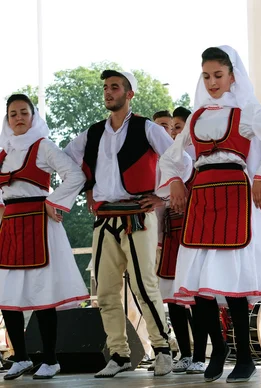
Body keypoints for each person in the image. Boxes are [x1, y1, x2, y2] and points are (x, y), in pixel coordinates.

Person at [158, 45, 261, 383]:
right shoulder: (197, 117)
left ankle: (245, 357)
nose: (212, 82)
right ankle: (218, 348)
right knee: (200, 281)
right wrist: (176, 181)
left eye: (218, 75)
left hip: (236, 193)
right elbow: (170, 157)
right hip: (203, 197)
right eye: (206, 76)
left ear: (232, 76)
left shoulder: (247, 111)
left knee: (233, 280)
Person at [64, 70, 183, 378]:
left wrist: (161, 197)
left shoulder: (146, 128)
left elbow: (179, 159)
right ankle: (118, 354)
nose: (108, 92)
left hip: (137, 216)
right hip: (104, 219)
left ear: (129, 94)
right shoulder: (92, 133)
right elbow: (65, 161)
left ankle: (162, 350)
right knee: (105, 291)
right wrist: (85, 187)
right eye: (106, 87)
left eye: (115, 87)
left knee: (145, 285)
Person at [0, 94, 89, 380]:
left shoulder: (44, 147)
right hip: (11, 225)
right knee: (7, 294)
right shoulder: (3, 152)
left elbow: (75, 175)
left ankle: (50, 360)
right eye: (13, 113)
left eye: (23, 112)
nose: (18, 118)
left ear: (33, 115)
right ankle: (21, 358)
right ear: (7, 118)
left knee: (43, 292)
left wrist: (55, 203)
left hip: (40, 223)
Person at [154, 106, 204, 374]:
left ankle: (199, 354)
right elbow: (160, 199)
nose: (173, 131)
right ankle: (184, 353)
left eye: (178, 127)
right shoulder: (168, 160)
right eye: (171, 127)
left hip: (194, 231)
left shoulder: (198, 157)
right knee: (173, 297)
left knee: (194, 296)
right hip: (173, 231)